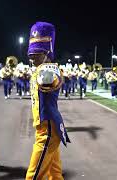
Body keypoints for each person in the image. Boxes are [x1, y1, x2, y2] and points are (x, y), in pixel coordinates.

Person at [26, 21, 70, 180]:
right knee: (55, 173)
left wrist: (54, 74)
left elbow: (52, 79)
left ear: (47, 53)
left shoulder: (50, 69)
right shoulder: (38, 69)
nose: (32, 57)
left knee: (33, 175)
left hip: (48, 130)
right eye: (31, 54)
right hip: (43, 128)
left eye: (37, 54)